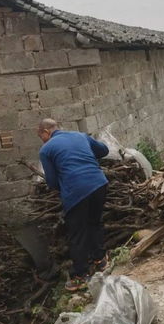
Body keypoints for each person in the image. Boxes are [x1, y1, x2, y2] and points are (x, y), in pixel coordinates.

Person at [38, 119, 110, 291]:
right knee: (94, 222)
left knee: (77, 234)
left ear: (46, 131)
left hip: (76, 191)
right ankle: (100, 260)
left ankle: (81, 275)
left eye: (40, 136)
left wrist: (65, 186)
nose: (41, 140)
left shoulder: (46, 149)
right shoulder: (80, 135)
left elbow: (52, 181)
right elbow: (104, 150)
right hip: (99, 183)